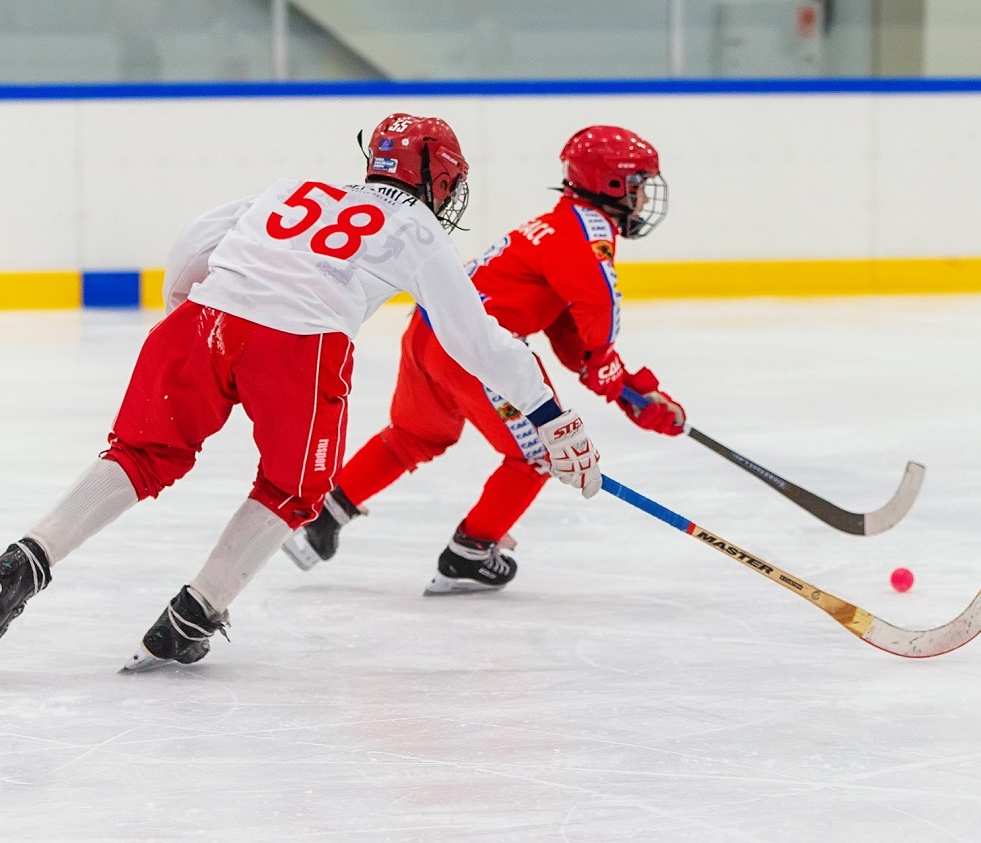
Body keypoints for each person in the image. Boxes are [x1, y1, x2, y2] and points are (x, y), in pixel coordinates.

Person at [0, 113, 603, 671]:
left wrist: (190, 316)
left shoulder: (295, 187)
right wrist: (549, 414)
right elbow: (477, 340)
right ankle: (192, 616)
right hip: (300, 344)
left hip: (200, 321)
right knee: (292, 488)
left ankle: (27, 558)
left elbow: (191, 246)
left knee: (141, 452)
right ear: (433, 174)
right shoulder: (417, 228)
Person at [280, 125, 684, 595]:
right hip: (479, 349)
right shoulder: (587, 237)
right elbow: (597, 325)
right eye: (636, 186)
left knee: (414, 435)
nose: (640, 200)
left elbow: (566, 331)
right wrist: (622, 385)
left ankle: (329, 511)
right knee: (539, 453)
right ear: (612, 186)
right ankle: (470, 553)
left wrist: (625, 388)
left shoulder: (557, 222)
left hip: (428, 332)